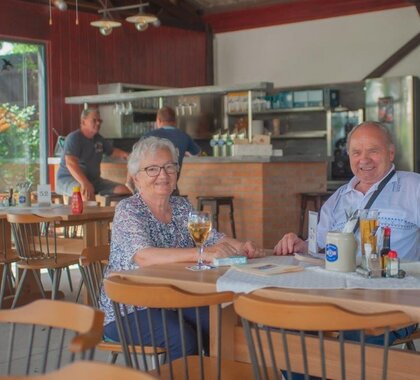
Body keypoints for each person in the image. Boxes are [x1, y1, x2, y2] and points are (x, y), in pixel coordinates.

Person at [99, 136, 264, 360]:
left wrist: (241, 245)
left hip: (171, 299)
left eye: (169, 167)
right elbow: (144, 256)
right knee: (184, 339)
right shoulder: (128, 210)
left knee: (219, 323)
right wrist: (201, 254)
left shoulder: (181, 206)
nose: (163, 175)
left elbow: (212, 238)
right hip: (128, 307)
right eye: (152, 169)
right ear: (136, 178)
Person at [274, 121, 419, 359]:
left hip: (391, 301)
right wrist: (298, 243)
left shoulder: (413, 187)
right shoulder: (337, 199)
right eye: (356, 152)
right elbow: (316, 249)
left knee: (352, 341)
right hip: (336, 298)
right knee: (281, 323)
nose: (364, 159)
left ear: (390, 153)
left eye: (373, 150)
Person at [56, 108, 132, 201]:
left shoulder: (99, 139)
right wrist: (85, 183)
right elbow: (70, 163)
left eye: (100, 121)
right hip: (68, 179)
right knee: (85, 193)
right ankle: (90, 215)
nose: (98, 123)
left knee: (125, 190)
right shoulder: (74, 138)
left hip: (94, 181)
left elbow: (112, 151)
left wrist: (127, 155)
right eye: (94, 120)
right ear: (83, 121)